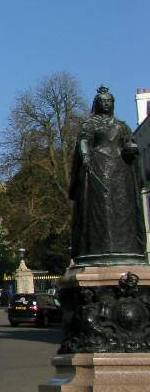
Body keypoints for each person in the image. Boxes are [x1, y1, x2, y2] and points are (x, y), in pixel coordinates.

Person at [70, 86, 144, 263]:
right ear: (97, 104)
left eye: (109, 101)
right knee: (100, 210)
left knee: (122, 210)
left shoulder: (121, 125)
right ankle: (97, 249)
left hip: (121, 172)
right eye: (102, 101)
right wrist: (86, 157)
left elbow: (129, 143)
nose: (106, 103)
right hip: (98, 168)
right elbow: (84, 142)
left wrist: (131, 149)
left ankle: (126, 250)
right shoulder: (90, 124)